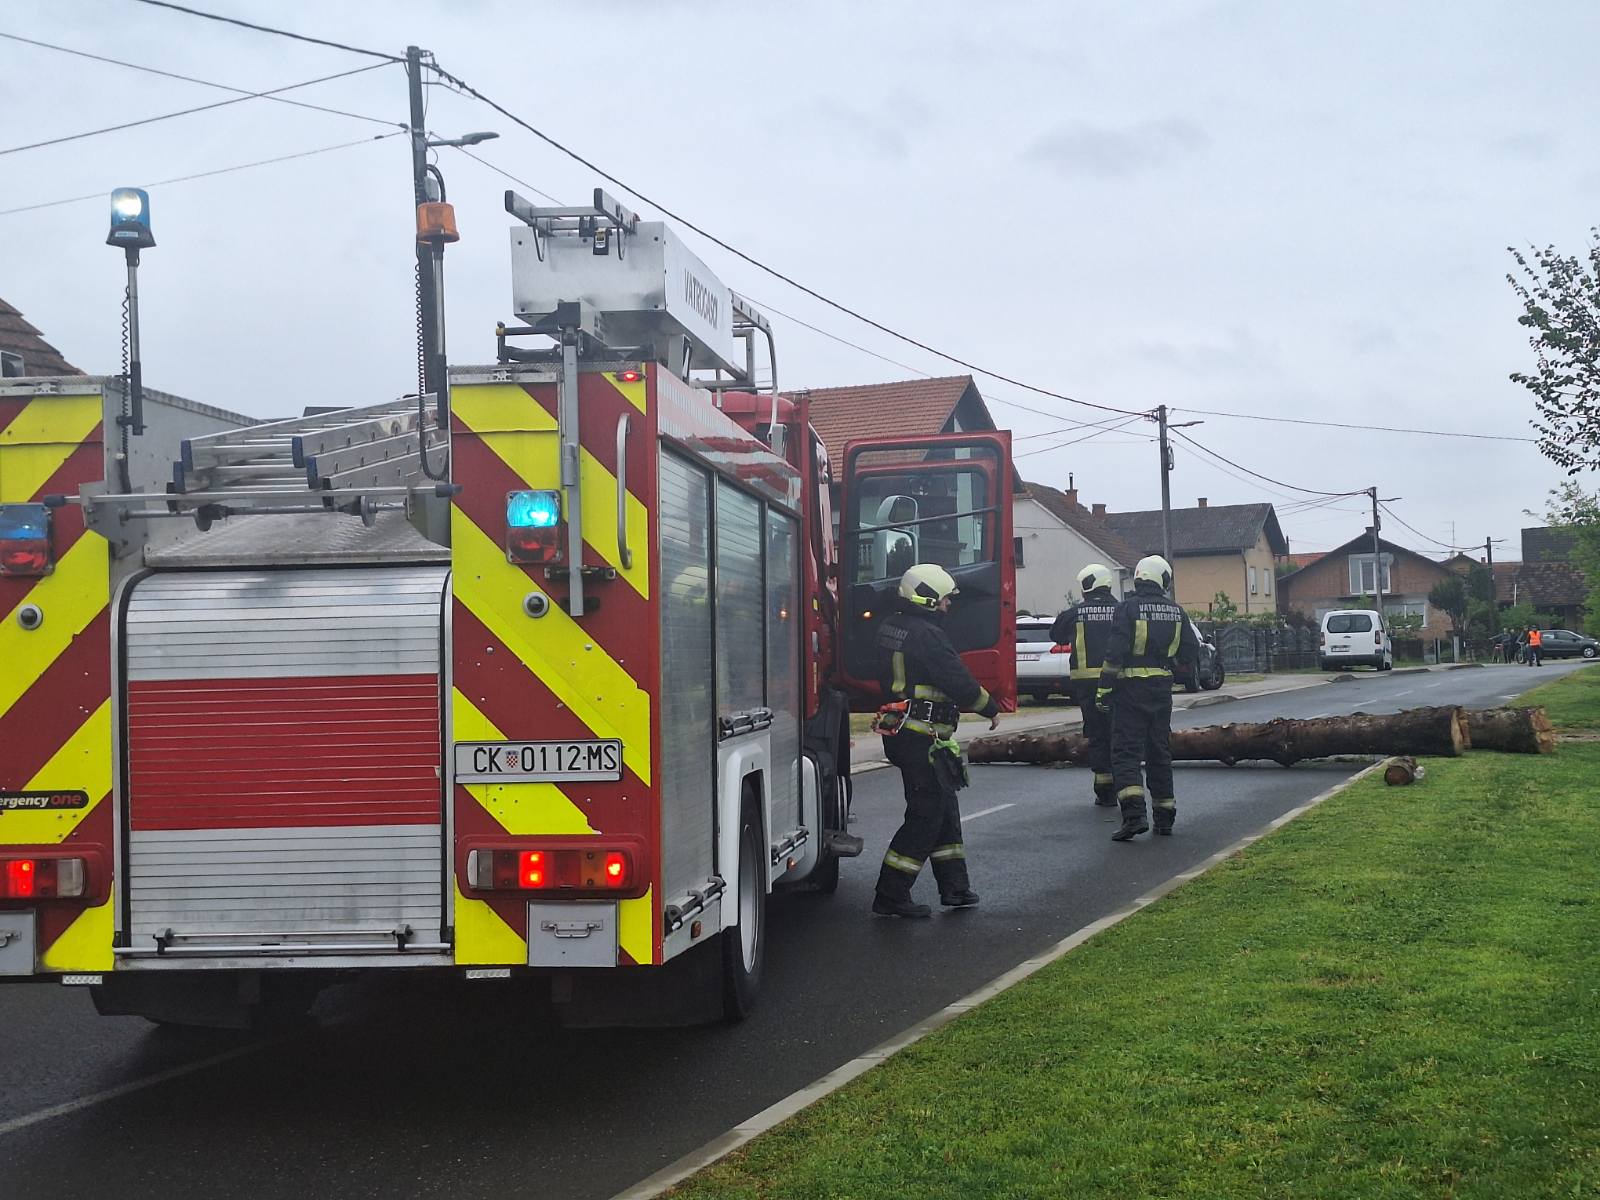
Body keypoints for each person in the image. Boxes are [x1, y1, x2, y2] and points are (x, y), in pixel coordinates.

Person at [871, 563, 1000, 918]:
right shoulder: (927, 635)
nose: (947, 606)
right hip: (921, 735)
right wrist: (988, 706)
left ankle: (955, 888)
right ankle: (891, 893)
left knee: (943, 809)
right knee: (926, 814)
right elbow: (955, 677)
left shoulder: (891, 627)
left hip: (908, 733)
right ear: (926, 599)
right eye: (943, 600)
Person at [1097, 554, 1199, 842]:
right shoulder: (1177, 611)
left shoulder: (1127, 608)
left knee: (1126, 753)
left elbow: (1114, 652)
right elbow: (1190, 652)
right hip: (1161, 690)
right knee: (1159, 752)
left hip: (1129, 690)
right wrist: (1169, 667)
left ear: (1141, 576)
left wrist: (1104, 689)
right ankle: (1165, 817)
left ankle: (1134, 816)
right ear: (1162, 579)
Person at [1050, 563, 1121, 806]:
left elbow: (1056, 635)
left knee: (1097, 734)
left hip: (1086, 686)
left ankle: (1104, 791)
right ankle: (1126, 786)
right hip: (1118, 683)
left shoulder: (1074, 614)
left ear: (1088, 586)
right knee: (1119, 733)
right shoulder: (1122, 610)